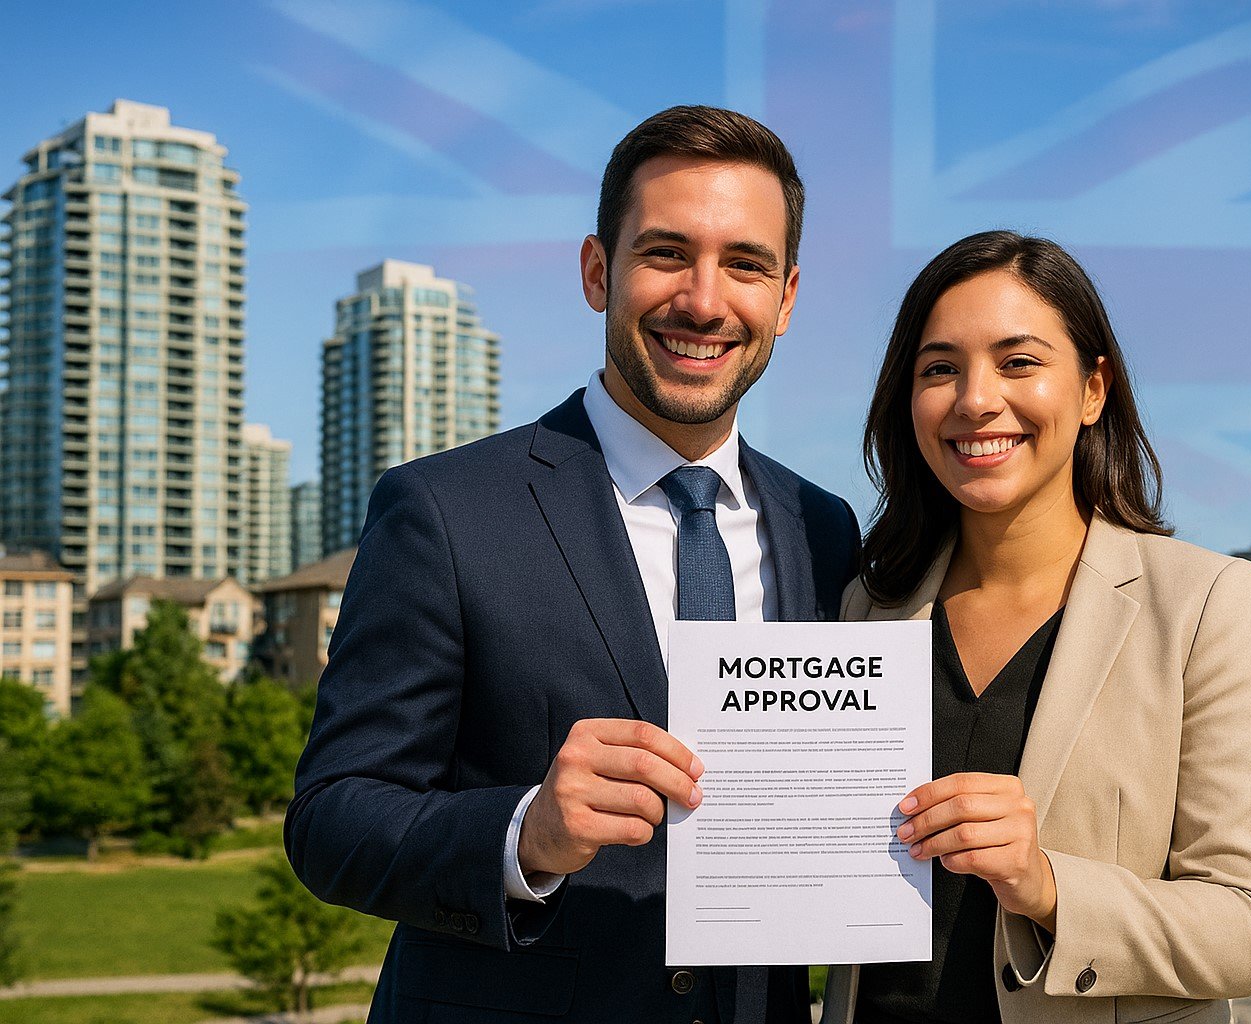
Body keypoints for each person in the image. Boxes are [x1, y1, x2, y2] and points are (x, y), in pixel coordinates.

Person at [285, 106, 860, 1024]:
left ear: (786, 298)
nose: (705, 301)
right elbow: (331, 819)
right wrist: (528, 833)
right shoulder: (443, 511)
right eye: (667, 253)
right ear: (600, 271)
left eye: (744, 264)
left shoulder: (824, 528)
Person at [822, 231, 1251, 1024]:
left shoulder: (1209, 604)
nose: (976, 398)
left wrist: (1046, 886)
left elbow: (1250, 928)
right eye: (940, 368)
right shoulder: (863, 608)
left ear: (1092, 390)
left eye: (1018, 362)